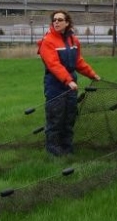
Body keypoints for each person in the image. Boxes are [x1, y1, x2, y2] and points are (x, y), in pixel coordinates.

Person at [37, 10, 100, 156]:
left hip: (71, 84)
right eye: (54, 20)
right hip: (55, 85)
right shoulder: (48, 41)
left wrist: (92, 74)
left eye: (60, 20)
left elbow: (78, 61)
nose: (56, 22)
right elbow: (53, 65)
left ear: (67, 22)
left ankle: (67, 147)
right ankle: (53, 150)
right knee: (56, 118)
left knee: (69, 117)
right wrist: (68, 80)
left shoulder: (73, 40)